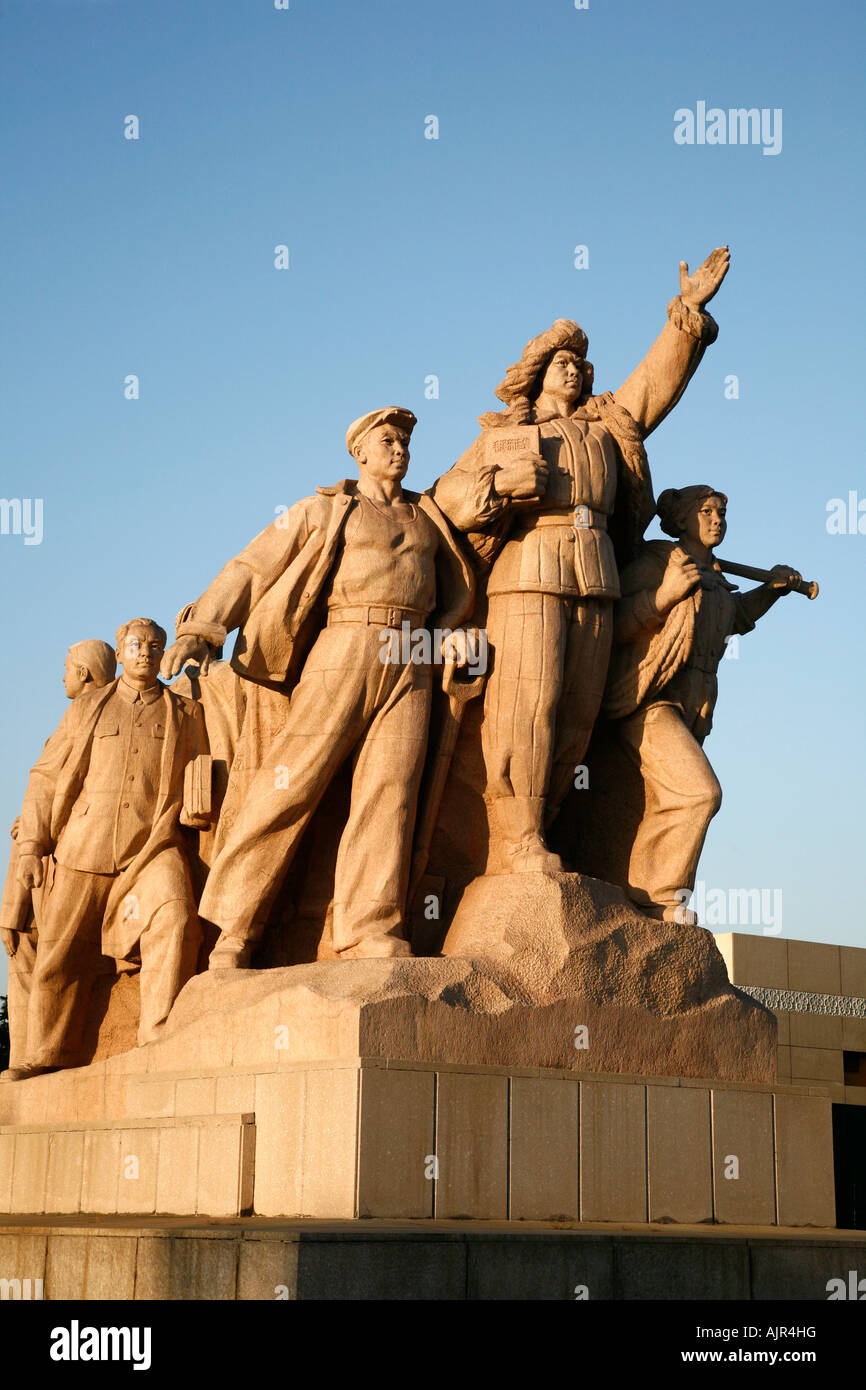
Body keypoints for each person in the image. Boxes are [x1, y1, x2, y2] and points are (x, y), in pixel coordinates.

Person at [430, 248, 730, 871]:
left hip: (595, 579)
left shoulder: (605, 429)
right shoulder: (505, 436)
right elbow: (447, 499)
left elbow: (652, 387)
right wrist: (500, 486)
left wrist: (686, 314)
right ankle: (516, 840)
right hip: (528, 576)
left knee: (575, 712)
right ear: (538, 374)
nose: (573, 371)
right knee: (527, 704)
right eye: (561, 363)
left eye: (579, 364)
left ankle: (548, 827)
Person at [160, 408, 475, 965]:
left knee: (390, 791)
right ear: (360, 452)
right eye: (388, 439)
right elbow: (252, 566)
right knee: (291, 782)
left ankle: (368, 926)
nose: (400, 448)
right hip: (346, 644)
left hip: (412, 654)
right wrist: (202, 629)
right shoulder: (326, 509)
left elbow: (453, 591)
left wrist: (449, 636)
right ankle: (233, 927)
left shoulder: (428, 517)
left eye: (405, 440)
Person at [8, 619, 208, 1077]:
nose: (146, 653)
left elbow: (204, 771)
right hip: (84, 848)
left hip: (151, 848)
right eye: (136, 645)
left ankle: (158, 1037)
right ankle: (46, 1055)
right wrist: (33, 846)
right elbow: (46, 776)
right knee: (59, 957)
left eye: (155, 646)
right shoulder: (87, 707)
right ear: (120, 654)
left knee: (176, 916)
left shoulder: (186, 714)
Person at [603, 485, 802, 923]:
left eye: (723, 513)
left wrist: (771, 591)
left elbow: (736, 617)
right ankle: (659, 895)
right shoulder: (659, 564)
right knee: (700, 792)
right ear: (683, 520)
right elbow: (611, 624)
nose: (717, 520)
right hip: (651, 698)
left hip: (699, 703)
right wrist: (664, 596)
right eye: (707, 511)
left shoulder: (713, 575)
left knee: (666, 798)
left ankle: (648, 896)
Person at [0, 639, 116, 1075]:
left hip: (65, 859)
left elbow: (46, 783)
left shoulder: (86, 712)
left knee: (32, 956)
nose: (62, 675)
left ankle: (36, 1056)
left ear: (85, 673)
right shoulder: (88, 711)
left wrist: (35, 835)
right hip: (50, 852)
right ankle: (26, 1057)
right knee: (27, 957)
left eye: (67, 668)